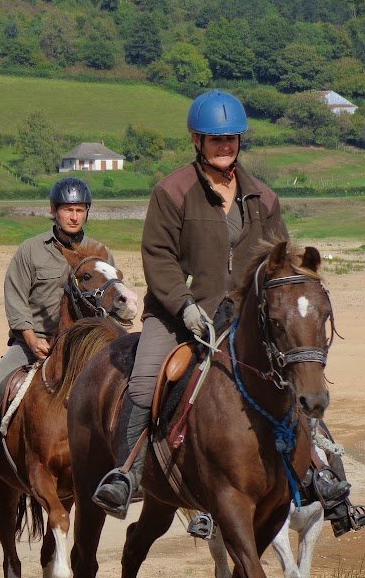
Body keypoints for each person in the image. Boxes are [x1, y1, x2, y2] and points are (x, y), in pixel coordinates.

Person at [91, 89, 350, 519]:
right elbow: (158, 257)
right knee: (145, 379)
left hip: (246, 318)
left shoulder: (263, 198)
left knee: (295, 377)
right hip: (179, 315)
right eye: (216, 139)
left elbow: (277, 258)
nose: (225, 146)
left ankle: (320, 474)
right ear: (197, 140)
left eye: (231, 138)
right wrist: (185, 305)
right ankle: (127, 474)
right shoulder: (172, 192)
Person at [0, 177, 114, 494]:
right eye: (67, 209)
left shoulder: (100, 253)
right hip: (35, 342)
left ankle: (122, 464)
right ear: (53, 211)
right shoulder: (31, 250)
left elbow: (110, 299)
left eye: (80, 209)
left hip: (85, 346)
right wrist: (31, 338)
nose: (74, 216)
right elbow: (15, 297)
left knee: (120, 387)